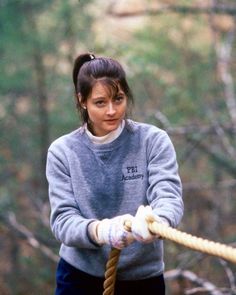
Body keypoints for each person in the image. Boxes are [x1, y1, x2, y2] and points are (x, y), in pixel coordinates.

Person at [46, 52, 184, 295]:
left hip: (143, 278)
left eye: (118, 99)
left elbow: (169, 198)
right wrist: (100, 231)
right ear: (82, 101)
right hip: (79, 277)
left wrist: (155, 222)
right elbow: (62, 221)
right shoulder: (62, 151)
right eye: (100, 102)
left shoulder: (153, 141)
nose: (112, 110)